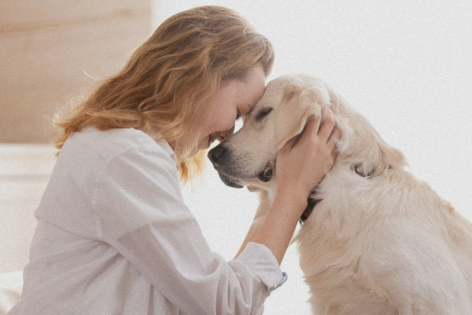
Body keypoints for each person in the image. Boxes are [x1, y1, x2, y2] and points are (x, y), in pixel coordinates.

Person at [9, 6, 340, 315]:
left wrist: (277, 196)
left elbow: (214, 293)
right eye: (238, 112)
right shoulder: (125, 156)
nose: (229, 133)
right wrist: (293, 193)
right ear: (200, 76)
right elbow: (227, 304)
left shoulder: (114, 145)